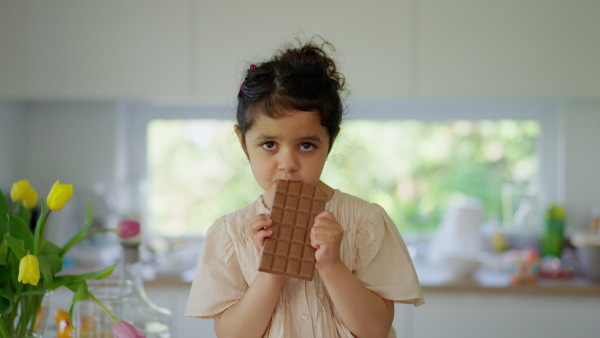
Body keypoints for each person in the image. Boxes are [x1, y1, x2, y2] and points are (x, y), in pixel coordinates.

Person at [185, 37, 424, 338]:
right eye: (269, 144)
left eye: (307, 145)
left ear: (330, 142)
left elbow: (375, 330)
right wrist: (272, 269)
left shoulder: (364, 222)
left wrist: (332, 264)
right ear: (242, 142)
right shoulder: (228, 235)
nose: (288, 163)